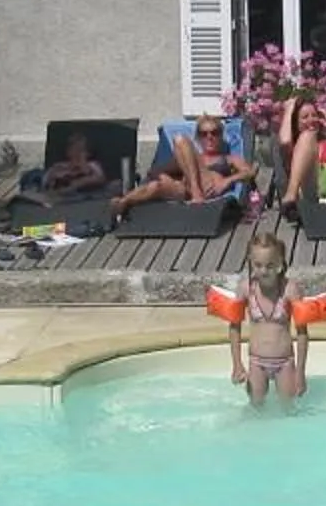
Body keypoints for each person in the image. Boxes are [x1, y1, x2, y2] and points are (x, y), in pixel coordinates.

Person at [229, 229, 308, 406]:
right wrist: (237, 363)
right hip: (256, 362)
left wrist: (300, 372)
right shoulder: (245, 289)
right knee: (256, 409)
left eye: (270, 265)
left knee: (289, 410)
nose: (263, 271)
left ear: (280, 263)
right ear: (250, 262)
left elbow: (302, 333)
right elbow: (234, 326)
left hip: (285, 362)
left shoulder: (290, 289)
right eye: (258, 265)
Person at [115, 118, 252, 218]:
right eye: (204, 134)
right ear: (198, 138)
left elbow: (250, 171)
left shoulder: (228, 158)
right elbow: (154, 172)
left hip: (207, 189)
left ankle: (196, 189)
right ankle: (124, 202)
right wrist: (167, 177)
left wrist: (227, 181)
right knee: (156, 186)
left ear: (221, 136)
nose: (209, 137)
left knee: (180, 140)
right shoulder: (189, 157)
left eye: (214, 133)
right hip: (185, 192)